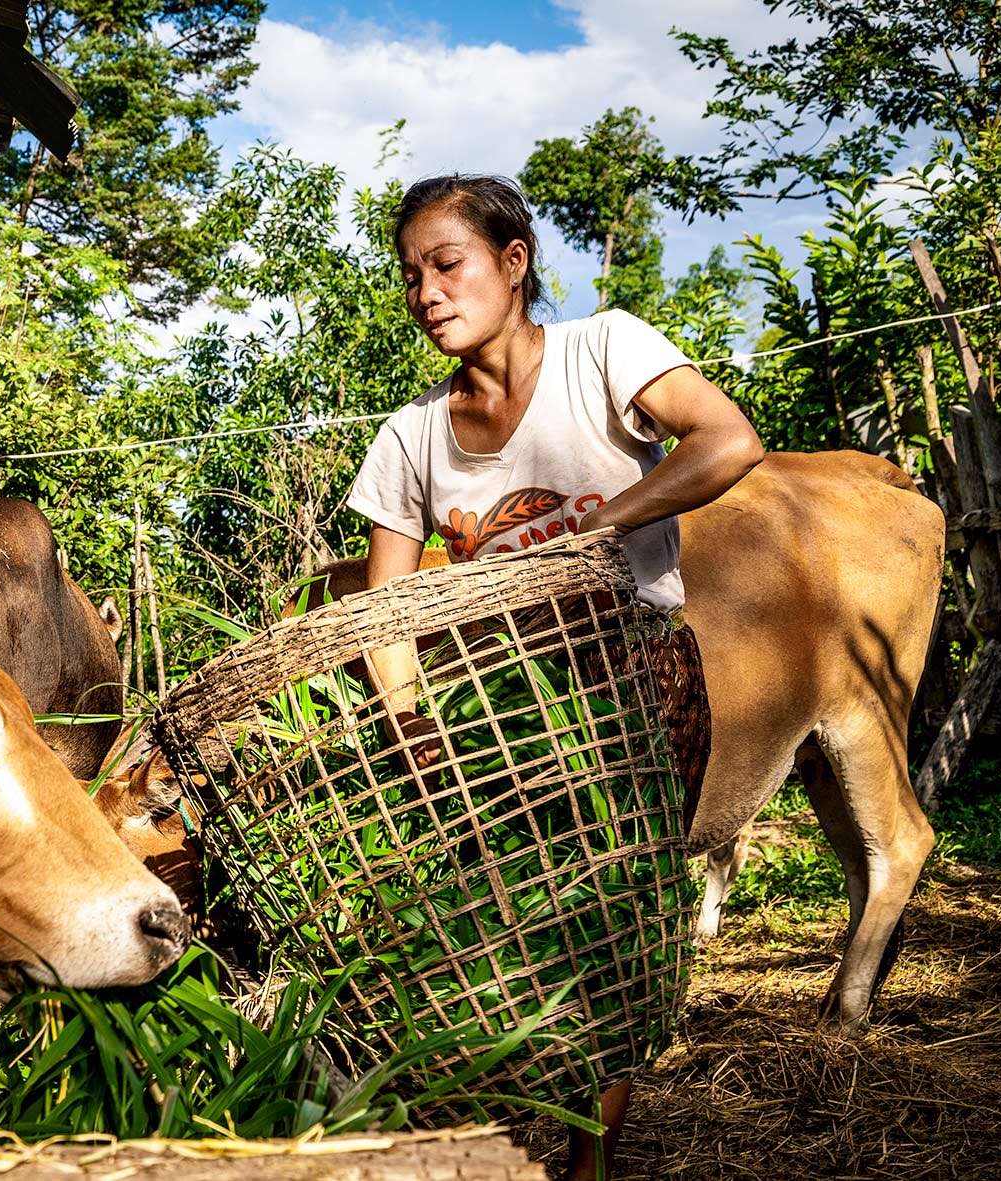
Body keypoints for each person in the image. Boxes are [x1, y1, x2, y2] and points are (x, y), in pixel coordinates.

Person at [345, 174, 764, 1181]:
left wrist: (598, 521)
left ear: (512, 262)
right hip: (496, 714)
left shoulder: (604, 350)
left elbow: (727, 440)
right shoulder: (410, 437)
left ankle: (586, 1163)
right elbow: (383, 615)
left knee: (607, 940)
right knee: (510, 937)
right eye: (410, 276)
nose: (425, 293)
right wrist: (408, 723)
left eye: (445, 264)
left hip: (629, 682)